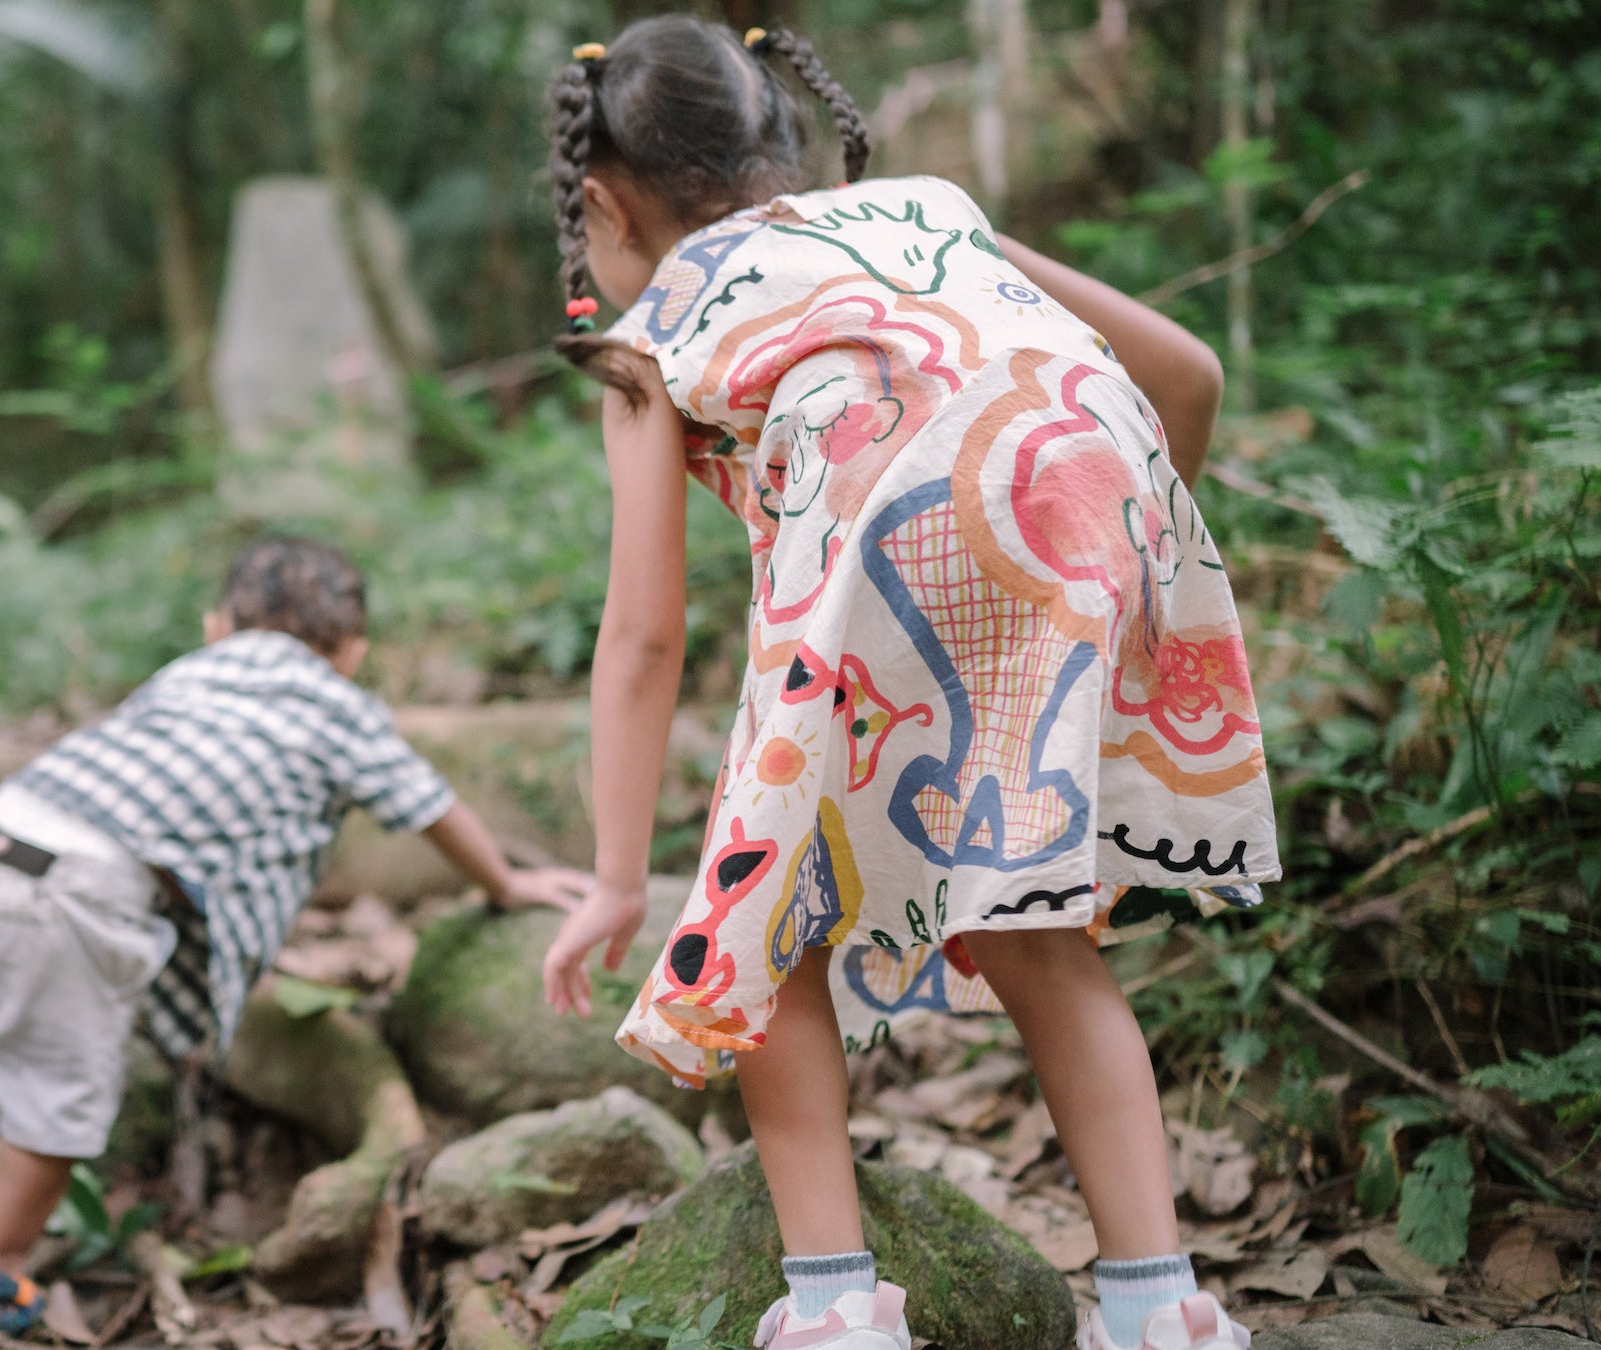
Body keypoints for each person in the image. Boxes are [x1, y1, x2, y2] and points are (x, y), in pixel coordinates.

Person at [533, 17, 1279, 1350]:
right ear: (779, 140)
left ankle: (832, 1308)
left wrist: (608, 876)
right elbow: (1187, 373)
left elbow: (643, 635)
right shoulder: (930, 213)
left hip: (896, 544)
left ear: (602, 198)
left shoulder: (657, 329)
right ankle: (1161, 1309)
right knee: (1041, 930)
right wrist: (1091, 579)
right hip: (1082, 508)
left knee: (764, 911)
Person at [0, 536, 595, 1331]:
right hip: (79, 887)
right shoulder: (338, 702)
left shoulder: (191, 671)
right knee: (59, 1089)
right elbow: (429, 805)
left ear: (217, 626)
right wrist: (507, 882)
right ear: (351, 650)